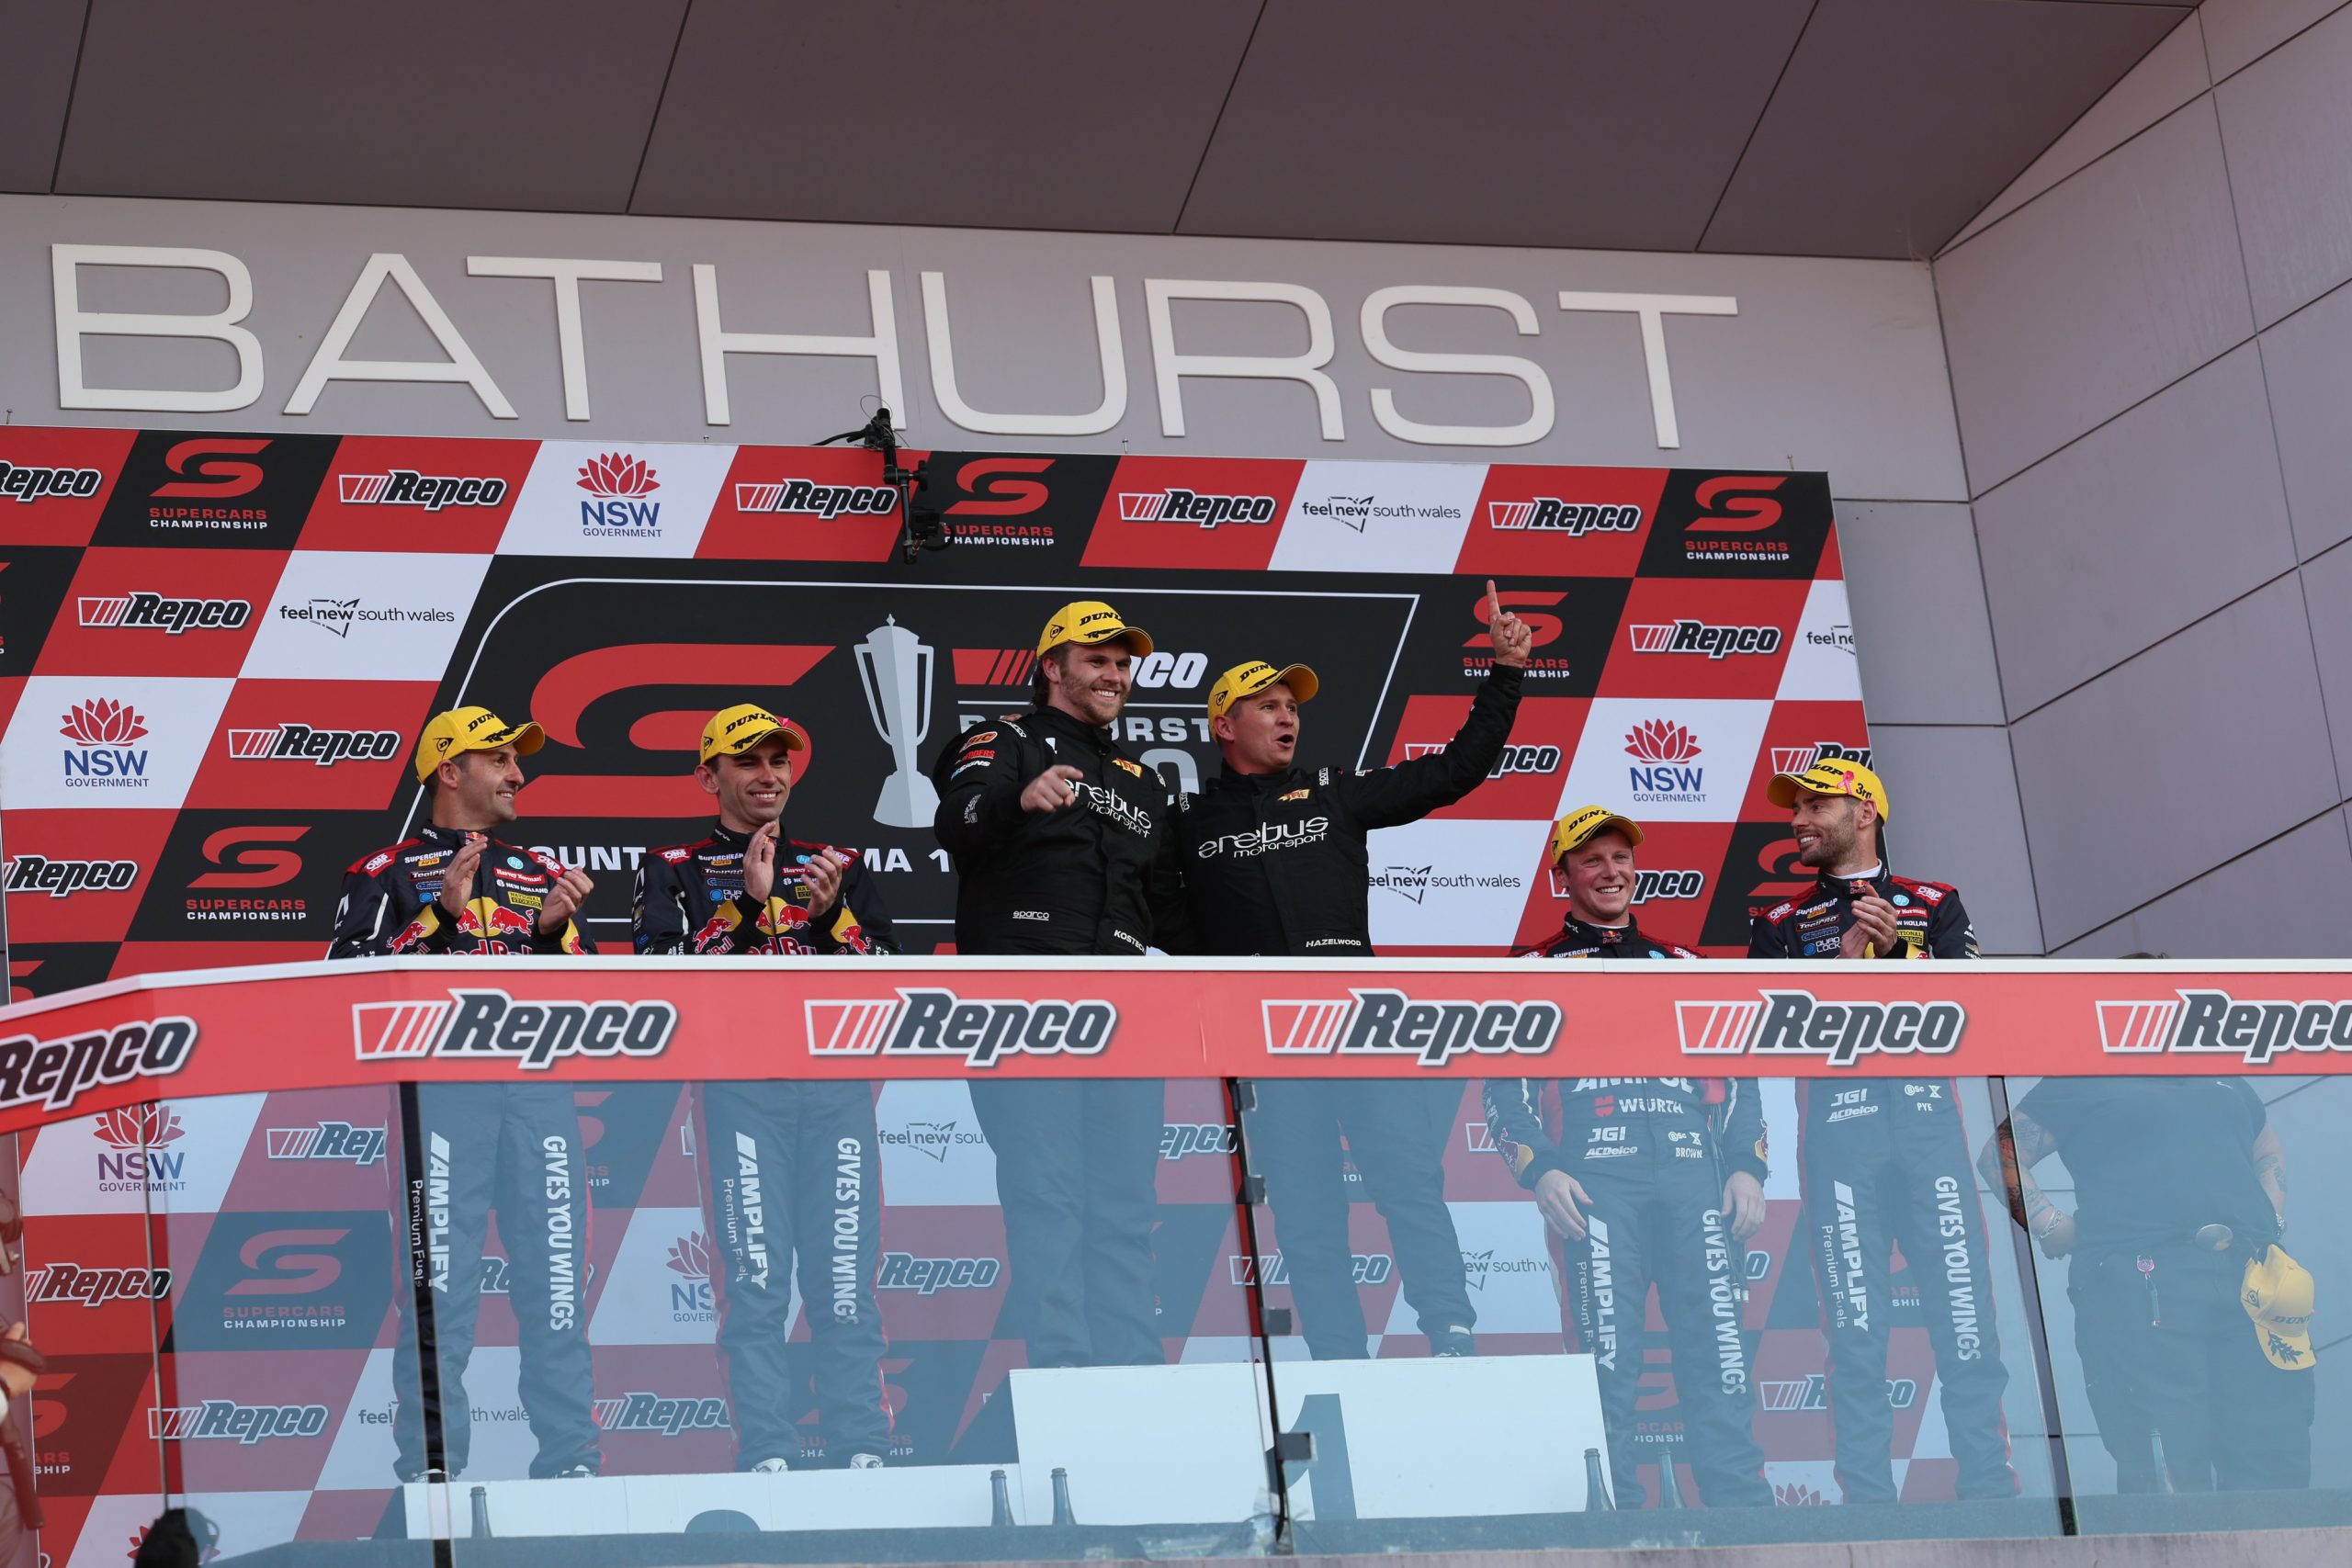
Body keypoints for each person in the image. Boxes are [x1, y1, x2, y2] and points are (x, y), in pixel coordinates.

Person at [1176, 582, 1530, 1359]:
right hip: (1270, 1049)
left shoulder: (1334, 792)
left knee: (1409, 1184)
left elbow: (1454, 771)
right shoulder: (1190, 824)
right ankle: (1339, 1357)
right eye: (1267, 705)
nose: (1288, 716)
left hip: (1360, 1030)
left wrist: (1505, 673)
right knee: (1306, 1213)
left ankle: (1453, 1334)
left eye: (1292, 706)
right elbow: (1165, 926)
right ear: (1224, 725)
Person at [328, 706, 601, 1482]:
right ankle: (434, 1472)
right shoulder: (383, 871)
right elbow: (341, 987)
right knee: (439, 1293)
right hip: (442, 1101)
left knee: (556, 1287)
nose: (518, 773)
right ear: (450, 771)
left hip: (540, 1095)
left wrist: (550, 935)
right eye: (500, 759)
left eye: (517, 760)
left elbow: (596, 1002)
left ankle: (573, 1466)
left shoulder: (542, 873)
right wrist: (437, 920)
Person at [928, 600, 1193, 1371]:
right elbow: (955, 819)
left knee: (1126, 1203)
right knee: (1046, 1196)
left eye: (1122, 662)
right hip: (1025, 1000)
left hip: (1123, 1008)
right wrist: (1018, 798)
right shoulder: (1004, 739)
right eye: (1096, 659)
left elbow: (1170, 911)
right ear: (1052, 666)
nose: (1114, 674)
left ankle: (1134, 1372)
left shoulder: (1141, 780)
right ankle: (1066, 1373)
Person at [634, 703, 897, 1472]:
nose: (767, 774)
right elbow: (657, 973)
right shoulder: (673, 864)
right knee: (754, 1282)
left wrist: (835, 914)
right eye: (747, 760)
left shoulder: (837, 863)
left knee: (844, 1281)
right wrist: (747, 906)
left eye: (778, 760)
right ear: (708, 776)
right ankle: (767, 1452)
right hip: (739, 1091)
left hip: (837, 1089)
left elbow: (892, 972)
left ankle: (862, 1446)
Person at [1484, 806, 1770, 1508]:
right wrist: (1539, 1167)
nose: (1610, 871)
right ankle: (1616, 1519)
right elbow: (1503, 1086)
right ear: (1563, 877)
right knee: (1606, 1360)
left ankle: (1744, 1516)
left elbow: (1738, 1073)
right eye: (1592, 860)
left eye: (1620, 858)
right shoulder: (1533, 968)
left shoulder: (1685, 964)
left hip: (1694, 1180)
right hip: (1595, 1184)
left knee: (1720, 1355)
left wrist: (1746, 1164)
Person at [1747, 756, 2015, 1504]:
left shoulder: (1937, 902)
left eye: (1814, 805)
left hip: (1932, 1138)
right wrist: (1841, 965)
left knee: (1967, 1327)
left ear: (1864, 811)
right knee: (1856, 1339)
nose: (1797, 819)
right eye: (1794, 807)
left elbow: (1974, 1010)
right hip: (1840, 1147)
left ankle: (1992, 1500)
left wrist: (1901, 953)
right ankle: (1869, 1509)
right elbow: (1764, 1037)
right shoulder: (1778, 924)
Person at [1984, 1076, 2312, 1492]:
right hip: (2144, 1281)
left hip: (2252, 1275)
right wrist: (2049, 1225)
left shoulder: (2218, 1073)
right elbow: (1999, 1156)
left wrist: (2269, 1222)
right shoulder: (2081, 1075)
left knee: (2273, 1446)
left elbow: (2266, 1148)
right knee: (2168, 1459)